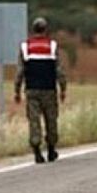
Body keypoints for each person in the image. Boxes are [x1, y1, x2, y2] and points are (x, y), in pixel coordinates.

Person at [14, 17, 68, 163]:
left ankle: (37, 152)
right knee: (51, 119)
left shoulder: (25, 47)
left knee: (34, 120)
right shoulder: (52, 46)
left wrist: (17, 90)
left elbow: (20, 71)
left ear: (33, 29)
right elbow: (59, 70)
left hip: (31, 89)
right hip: (49, 89)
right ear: (45, 30)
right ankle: (51, 150)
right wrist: (63, 88)